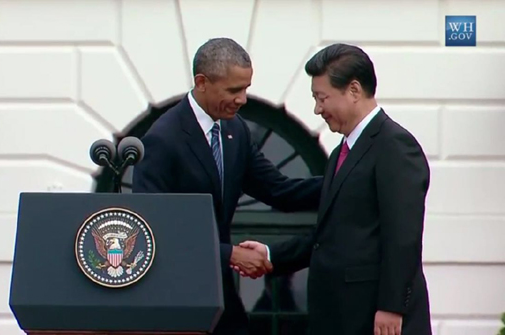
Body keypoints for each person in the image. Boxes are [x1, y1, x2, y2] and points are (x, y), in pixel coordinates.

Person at [236, 43, 432, 335]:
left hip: (375, 318)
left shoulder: (394, 146)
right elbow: (329, 237)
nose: (317, 109)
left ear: (353, 90)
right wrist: (271, 254)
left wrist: (392, 306)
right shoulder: (344, 151)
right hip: (341, 316)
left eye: (321, 98)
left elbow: (403, 235)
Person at [131, 37, 323, 335]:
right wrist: (229, 254)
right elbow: (154, 232)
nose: (243, 99)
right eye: (234, 90)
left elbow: (279, 190)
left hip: (219, 293)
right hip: (175, 297)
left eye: (245, 88)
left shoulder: (235, 130)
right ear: (202, 82)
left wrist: (343, 181)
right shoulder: (162, 140)